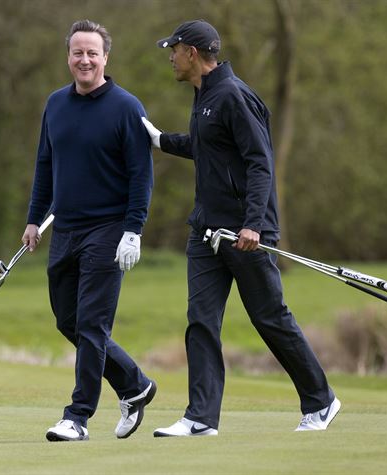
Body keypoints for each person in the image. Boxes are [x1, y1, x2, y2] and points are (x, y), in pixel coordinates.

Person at [141, 20, 340, 437]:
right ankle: (200, 417)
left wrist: (254, 224)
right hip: (207, 232)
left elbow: (258, 162)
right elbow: (206, 148)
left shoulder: (233, 96)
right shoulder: (205, 96)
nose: (170, 57)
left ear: (192, 53)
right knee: (201, 320)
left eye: (173, 50)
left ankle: (321, 401)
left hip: (244, 235)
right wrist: (158, 139)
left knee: (270, 318)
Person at [22, 19, 156, 442]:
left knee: (93, 325)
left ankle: (77, 417)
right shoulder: (55, 104)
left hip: (109, 229)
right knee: (69, 321)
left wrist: (133, 230)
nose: (84, 59)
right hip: (65, 230)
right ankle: (134, 385)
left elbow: (141, 175)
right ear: (68, 57)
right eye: (77, 52)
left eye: (92, 53)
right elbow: (46, 164)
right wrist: (32, 217)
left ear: (105, 58)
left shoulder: (127, 107)